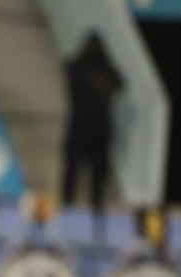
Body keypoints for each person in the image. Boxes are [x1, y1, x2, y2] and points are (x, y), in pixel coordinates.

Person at [61, 31, 123, 222]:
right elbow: (72, 74)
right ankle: (66, 207)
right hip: (78, 126)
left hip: (100, 128)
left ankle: (97, 211)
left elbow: (119, 84)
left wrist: (102, 82)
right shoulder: (78, 66)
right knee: (72, 171)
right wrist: (96, 83)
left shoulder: (106, 68)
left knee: (98, 174)